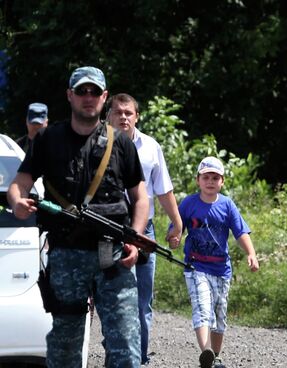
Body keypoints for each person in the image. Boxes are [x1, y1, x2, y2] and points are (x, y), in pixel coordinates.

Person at [7, 66, 148, 368]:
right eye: (81, 91)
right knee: (66, 349)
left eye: (94, 92)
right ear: (69, 95)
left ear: (104, 97)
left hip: (114, 256)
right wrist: (18, 201)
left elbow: (140, 198)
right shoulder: (47, 139)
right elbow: (19, 184)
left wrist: (135, 238)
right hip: (66, 256)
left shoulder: (121, 143)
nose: (88, 97)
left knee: (126, 347)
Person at [107, 92, 183, 365]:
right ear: (109, 115)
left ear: (137, 116)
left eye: (129, 113)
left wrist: (177, 221)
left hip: (145, 232)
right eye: (118, 112)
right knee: (116, 298)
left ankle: (139, 358)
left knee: (142, 301)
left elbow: (163, 189)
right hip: (110, 229)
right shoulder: (98, 145)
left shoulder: (151, 147)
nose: (124, 117)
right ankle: (117, 351)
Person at [177, 156, 259, 368]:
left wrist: (251, 253)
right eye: (206, 177)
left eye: (215, 177)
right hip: (196, 267)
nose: (210, 181)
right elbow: (177, 226)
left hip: (222, 269)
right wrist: (174, 236)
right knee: (202, 308)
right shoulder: (188, 203)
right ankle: (206, 351)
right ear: (198, 180)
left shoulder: (227, 205)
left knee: (219, 316)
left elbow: (240, 231)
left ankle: (215, 356)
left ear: (222, 181)